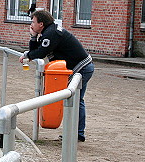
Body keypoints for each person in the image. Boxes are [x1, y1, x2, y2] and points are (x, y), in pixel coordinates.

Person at [19, 10, 94, 142]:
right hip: (83, 66)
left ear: (41, 24)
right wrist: (32, 38)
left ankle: (76, 134)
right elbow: (37, 50)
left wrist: (28, 55)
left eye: (33, 22)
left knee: (74, 100)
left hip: (81, 67)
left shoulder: (51, 33)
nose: (31, 25)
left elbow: (40, 52)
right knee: (76, 100)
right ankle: (77, 133)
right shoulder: (49, 31)